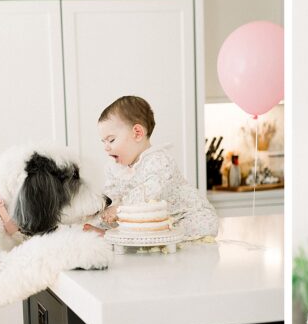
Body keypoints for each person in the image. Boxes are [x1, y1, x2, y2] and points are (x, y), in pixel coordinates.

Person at [88, 95, 218, 240]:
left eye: (111, 140)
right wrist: (99, 214)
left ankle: (120, 235)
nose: (106, 147)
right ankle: (110, 234)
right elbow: (111, 196)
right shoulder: (115, 168)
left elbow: (150, 193)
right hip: (150, 221)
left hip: (184, 216)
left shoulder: (159, 160)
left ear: (137, 133)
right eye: (103, 142)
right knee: (133, 225)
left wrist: (120, 209)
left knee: (197, 225)